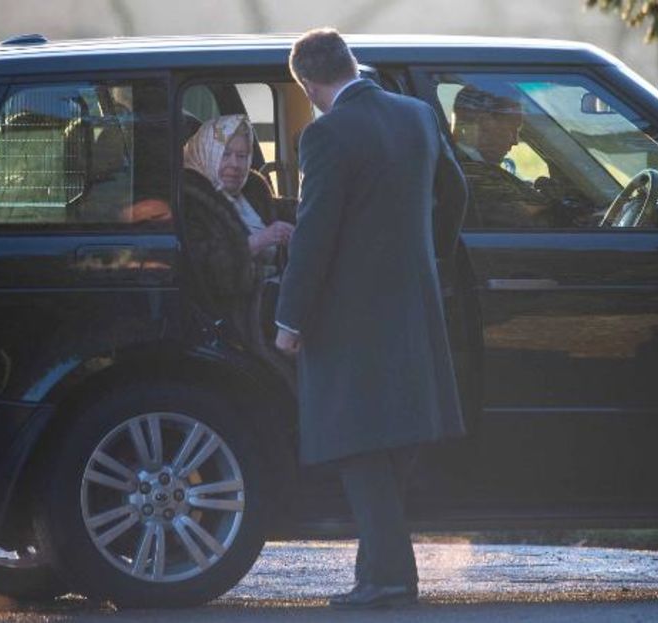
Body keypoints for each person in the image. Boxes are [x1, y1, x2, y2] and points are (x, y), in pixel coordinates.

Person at [274, 29, 468, 609]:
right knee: (396, 439)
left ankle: (387, 580)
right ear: (351, 64)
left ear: (307, 84)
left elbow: (315, 234)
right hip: (415, 304)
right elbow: (455, 194)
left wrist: (290, 316)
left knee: (358, 444)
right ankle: (380, 573)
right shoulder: (416, 115)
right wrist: (428, 261)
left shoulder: (326, 134)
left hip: (350, 318)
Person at [181, 114, 294, 343]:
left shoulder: (251, 188)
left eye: (242, 156)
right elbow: (205, 270)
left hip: (276, 290)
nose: (235, 164)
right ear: (207, 152)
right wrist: (258, 241)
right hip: (239, 310)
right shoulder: (189, 200)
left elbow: (285, 209)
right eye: (225, 154)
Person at [450, 85, 570, 228]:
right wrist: (550, 202)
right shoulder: (469, 172)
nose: (514, 141)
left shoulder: (466, 164)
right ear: (485, 123)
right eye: (512, 129)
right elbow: (522, 216)